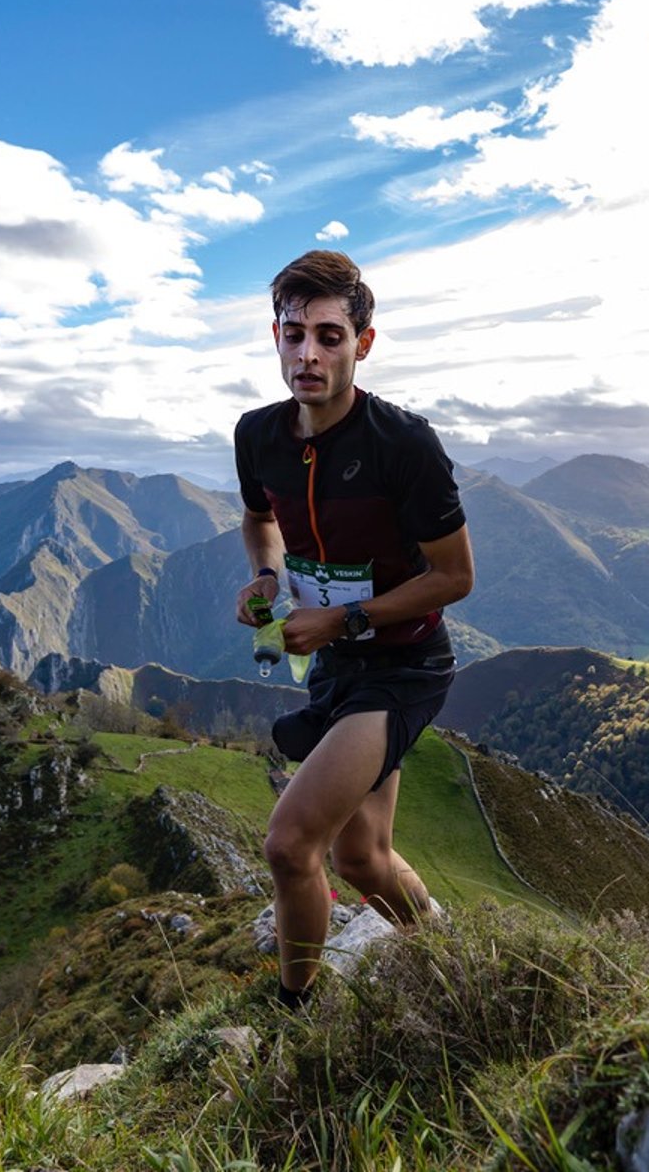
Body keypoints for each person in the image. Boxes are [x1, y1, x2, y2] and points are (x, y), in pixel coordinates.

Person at [232, 249, 474, 1009]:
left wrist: (342, 616)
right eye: (294, 333)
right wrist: (268, 578)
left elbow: (455, 577)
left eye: (329, 336)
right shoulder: (257, 435)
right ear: (274, 335)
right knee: (364, 856)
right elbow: (259, 517)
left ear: (362, 344)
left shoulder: (404, 444)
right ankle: (450, 955)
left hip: (403, 666)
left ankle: (294, 1011)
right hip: (335, 664)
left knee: (289, 843)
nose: (308, 353)